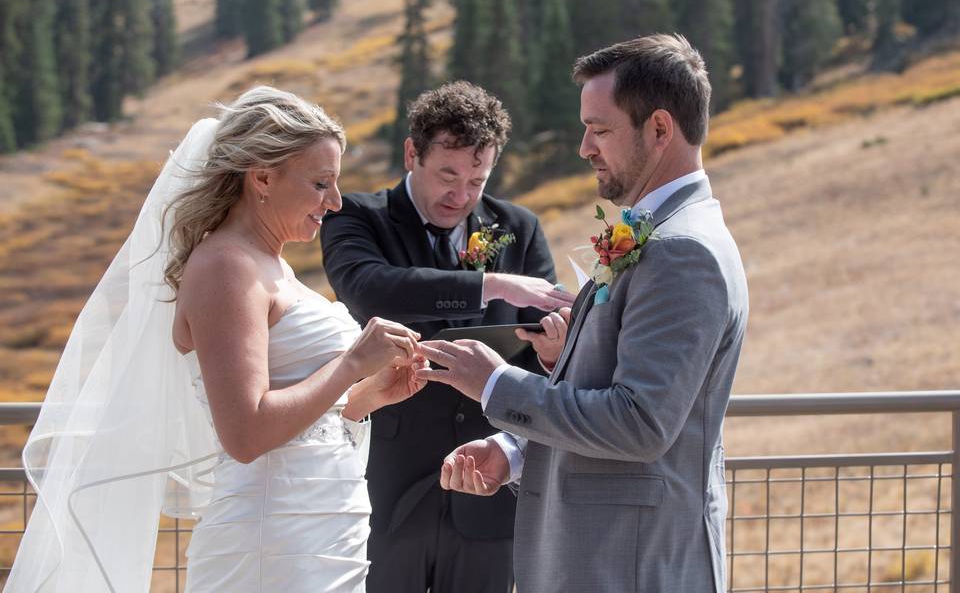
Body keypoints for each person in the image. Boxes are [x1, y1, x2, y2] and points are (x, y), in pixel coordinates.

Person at [8, 86, 426, 593]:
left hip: (321, 528)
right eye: (321, 183)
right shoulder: (226, 266)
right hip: (272, 539)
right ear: (263, 177)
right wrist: (351, 364)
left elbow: (295, 415)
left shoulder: (273, 265)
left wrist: (365, 397)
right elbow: (246, 433)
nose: (335, 202)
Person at [417, 34, 749, 593]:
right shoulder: (660, 234)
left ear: (660, 129)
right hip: (601, 556)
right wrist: (513, 451)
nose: (584, 147)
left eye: (599, 129)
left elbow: (640, 424)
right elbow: (603, 387)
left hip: (631, 565)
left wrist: (497, 384)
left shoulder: (682, 251)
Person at [320, 81, 575, 593]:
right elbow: (369, 290)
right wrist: (489, 284)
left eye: (477, 181)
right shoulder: (356, 216)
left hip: (487, 487)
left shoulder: (518, 228)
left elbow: (540, 347)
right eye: (448, 175)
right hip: (386, 486)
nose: (461, 196)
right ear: (412, 153)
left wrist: (552, 352)